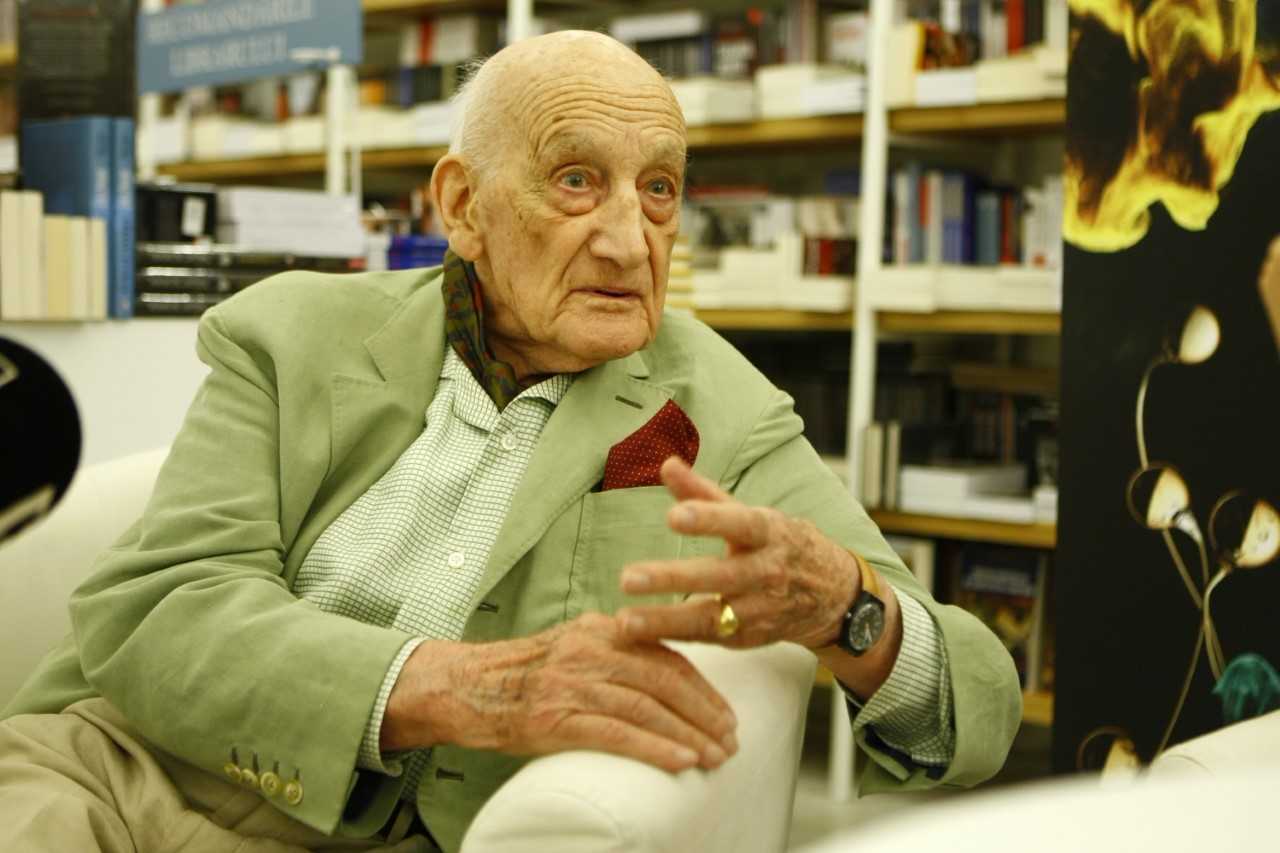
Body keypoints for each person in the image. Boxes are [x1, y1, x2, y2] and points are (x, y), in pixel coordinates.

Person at [0, 31, 1021, 853]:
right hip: (120, 777)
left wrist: (851, 609)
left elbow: (977, 702)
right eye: (576, 180)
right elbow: (160, 607)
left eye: (659, 189)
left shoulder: (727, 411)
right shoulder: (291, 334)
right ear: (462, 206)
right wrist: (457, 688)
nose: (628, 240)